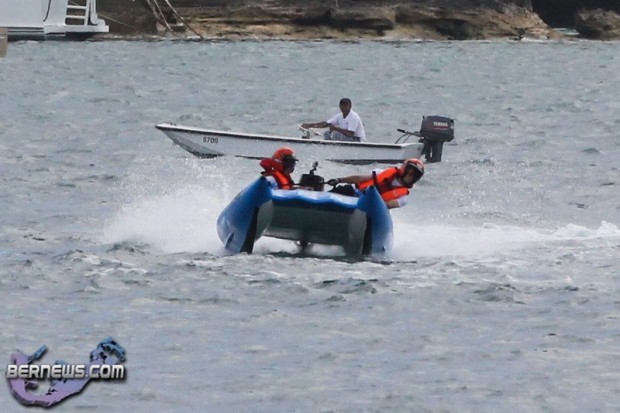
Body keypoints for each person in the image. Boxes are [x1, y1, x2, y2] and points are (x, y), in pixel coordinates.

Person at [326, 158, 425, 209]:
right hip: (352, 191)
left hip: (368, 208)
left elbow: (387, 205)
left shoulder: (403, 198)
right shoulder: (381, 173)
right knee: (331, 195)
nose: (411, 177)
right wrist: (339, 180)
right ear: (404, 169)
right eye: (411, 173)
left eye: (415, 176)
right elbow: (360, 178)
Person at [301, 98, 366, 142]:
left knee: (335, 134)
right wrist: (309, 125)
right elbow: (326, 124)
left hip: (357, 140)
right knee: (327, 134)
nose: (344, 108)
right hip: (348, 139)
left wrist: (336, 129)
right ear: (340, 106)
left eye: (346, 106)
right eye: (342, 106)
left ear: (350, 106)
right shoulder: (339, 116)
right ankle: (330, 150)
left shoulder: (354, 116)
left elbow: (350, 134)